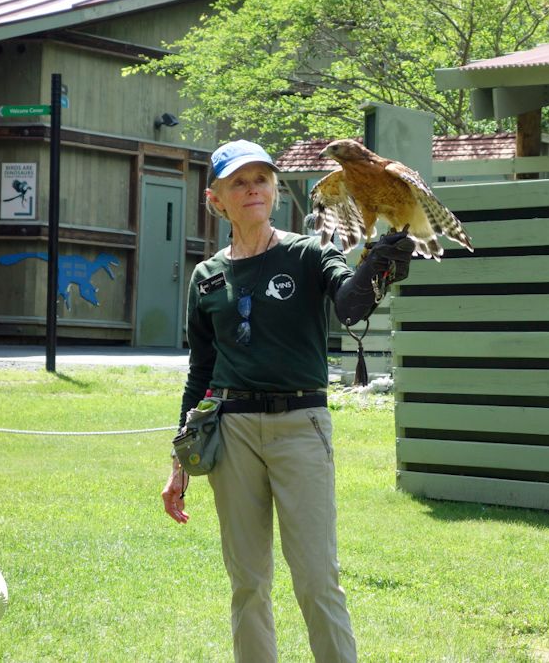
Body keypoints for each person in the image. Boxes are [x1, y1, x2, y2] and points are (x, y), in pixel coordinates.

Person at [161, 139, 412, 663]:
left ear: (275, 191)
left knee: (317, 580)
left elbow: (348, 302)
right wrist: (179, 458)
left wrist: (374, 271)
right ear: (217, 199)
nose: (253, 189)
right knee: (248, 582)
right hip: (231, 435)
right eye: (239, 182)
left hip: (301, 426)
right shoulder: (206, 277)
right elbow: (200, 373)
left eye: (262, 180)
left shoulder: (309, 253)